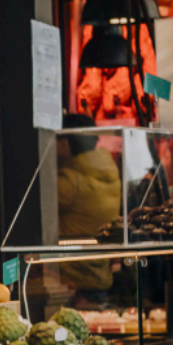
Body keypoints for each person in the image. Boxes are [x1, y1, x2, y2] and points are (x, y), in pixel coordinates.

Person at [57, 113, 118, 303]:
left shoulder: (69, 181)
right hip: (100, 275)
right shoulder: (109, 173)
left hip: (73, 283)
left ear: (65, 143)